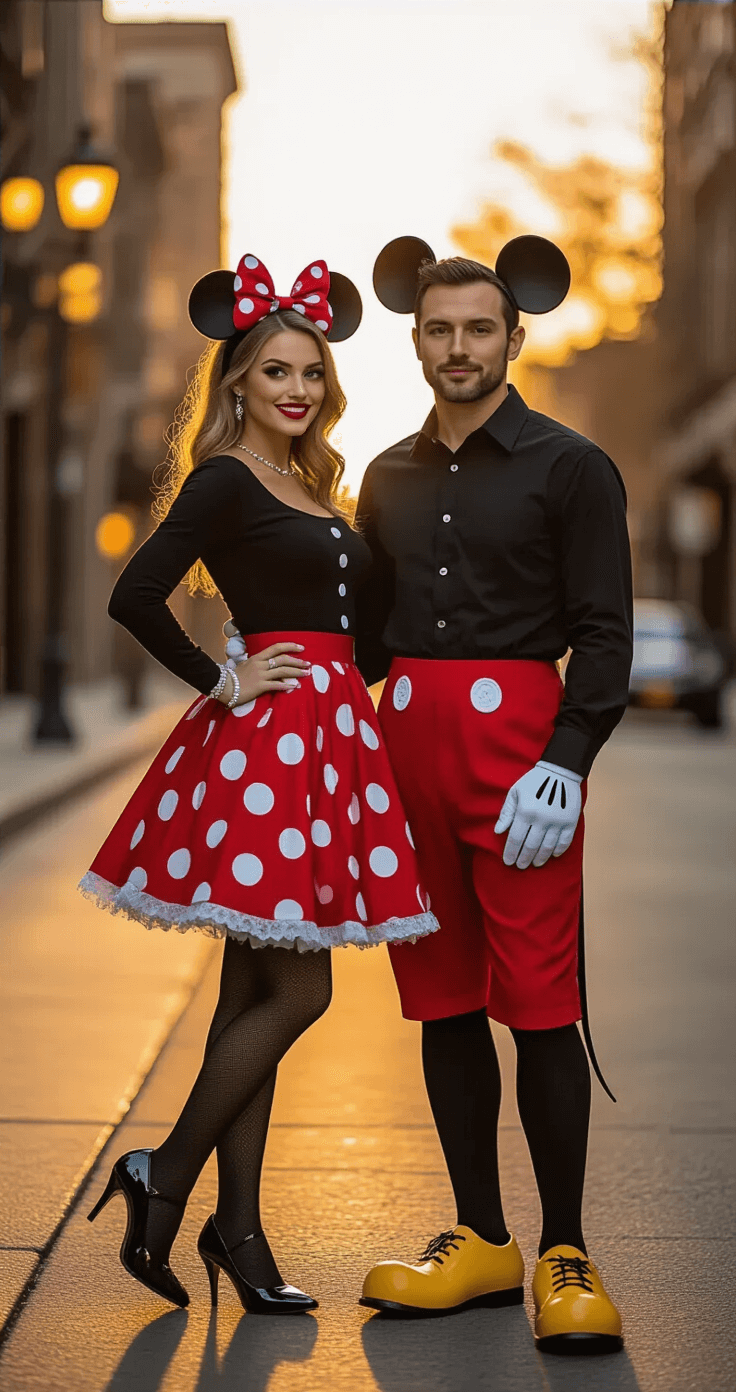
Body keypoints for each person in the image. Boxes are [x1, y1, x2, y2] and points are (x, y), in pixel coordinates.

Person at [80, 253, 439, 1316]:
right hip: (271, 748)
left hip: (327, 740)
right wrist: (224, 679)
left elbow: (355, 627)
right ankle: (164, 1173)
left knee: (251, 994)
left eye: (312, 372)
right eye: (276, 370)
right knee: (302, 990)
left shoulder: (313, 483)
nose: (298, 388)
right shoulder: (226, 478)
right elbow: (136, 594)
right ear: (236, 380)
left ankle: (236, 1232)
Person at [354, 236, 633, 1353]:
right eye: (439, 329)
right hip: (406, 750)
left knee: (540, 1001)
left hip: (522, 759)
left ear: (515, 336)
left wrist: (568, 756)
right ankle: (480, 1238)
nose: (458, 346)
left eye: (478, 328)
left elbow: (603, 631)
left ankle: (565, 1250)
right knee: (442, 997)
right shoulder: (384, 474)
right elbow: (366, 640)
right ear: (415, 340)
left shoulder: (573, 467)